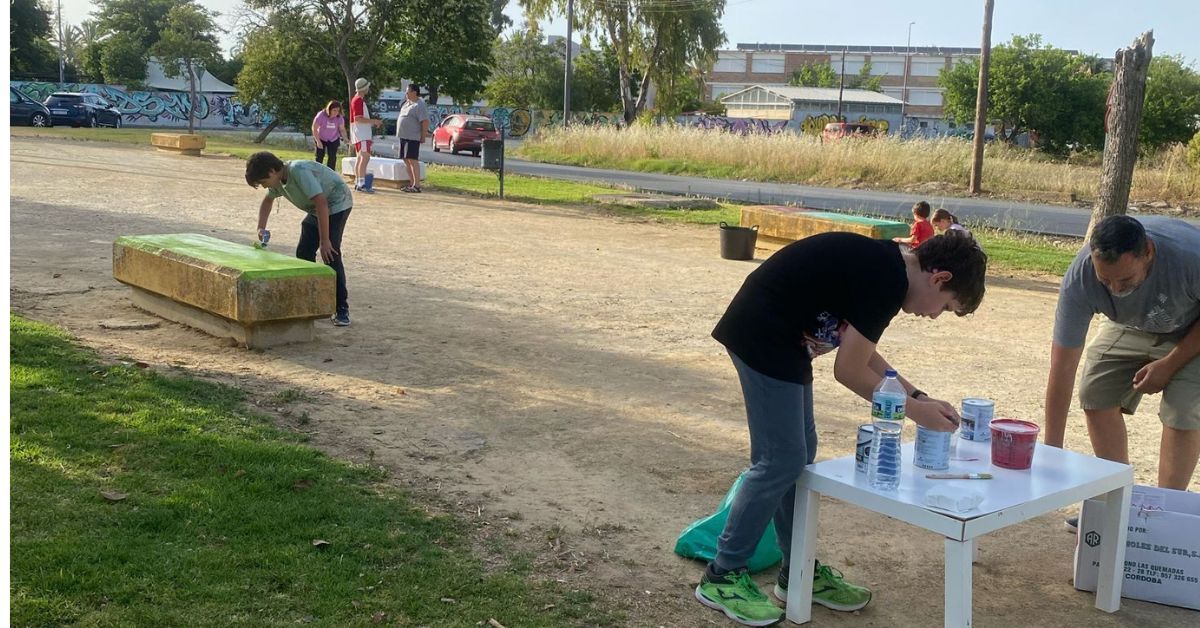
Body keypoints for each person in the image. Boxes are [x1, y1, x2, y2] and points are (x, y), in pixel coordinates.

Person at [698, 230, 988, 625]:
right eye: (946, 307)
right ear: (940, 279)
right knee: (780, 458)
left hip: (786, 342)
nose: (933, 316)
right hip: (762, 336)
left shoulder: (890, 269)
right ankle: (723, 575)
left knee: (799, 457)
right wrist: (915, 414)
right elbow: (848, 371)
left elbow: (864, 353)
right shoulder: (887, 279)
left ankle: (796, 569)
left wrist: (917, 396)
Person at [1044, 216, 1200, 531]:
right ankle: (1118, 505)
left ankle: (1160, 515)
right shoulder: (1081, 278)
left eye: (1125, 281)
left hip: (1192, 327)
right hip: (1131, 324)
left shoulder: (1189, 258)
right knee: (1095, 389)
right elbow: (1062, 368)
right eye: (1107, 282)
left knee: (1183, 408)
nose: (1115, 290)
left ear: (1149, 253)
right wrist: (1051, 454)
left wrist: (1169, 364)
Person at [245, 151, 354, 327]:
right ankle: (310, 297)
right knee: (303, 252)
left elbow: (321, 202)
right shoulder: (277, 181)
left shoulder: (298, 170)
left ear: (272, 171)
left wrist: (325, 241)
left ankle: (341, 308)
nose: (265, 187)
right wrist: (261, 227)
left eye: (264, 182)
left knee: (330, 254)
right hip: (316, 209)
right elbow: (267, 202)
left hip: (336, 203)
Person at [349, 77, 383, 193]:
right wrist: (374, 121)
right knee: (365, 157)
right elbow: (358, 118)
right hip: (361, 133)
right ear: (364, 88)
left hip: (359, 132)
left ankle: (359, 181)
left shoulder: (356, 99)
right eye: (367, 87)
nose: (368, 88)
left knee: (360, 157)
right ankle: (361, 183)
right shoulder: (358, 100)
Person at [396, 83, 430, 193]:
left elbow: (424, 121)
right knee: (406, 159)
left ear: (414, 92)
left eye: (408, 92)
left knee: (412, 160)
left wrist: (423, 136)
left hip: (413, 137)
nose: (406, 94)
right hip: (403, 136)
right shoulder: (407, 103)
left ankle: (417, 185)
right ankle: (411, 183)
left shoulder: (419, 105)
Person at [311, 100, 349, 170]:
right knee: (319, 157)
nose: (336, 112)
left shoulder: (339, 117)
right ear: (329, 109)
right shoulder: (321, 115)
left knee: (332, 157)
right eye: (334, 110)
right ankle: (316, 172)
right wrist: (318, 141)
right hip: (321, 138)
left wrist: (346, 139)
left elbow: (342, 130)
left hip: (333, 139)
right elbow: (314, 128)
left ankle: (330, 174)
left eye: (338, 111)